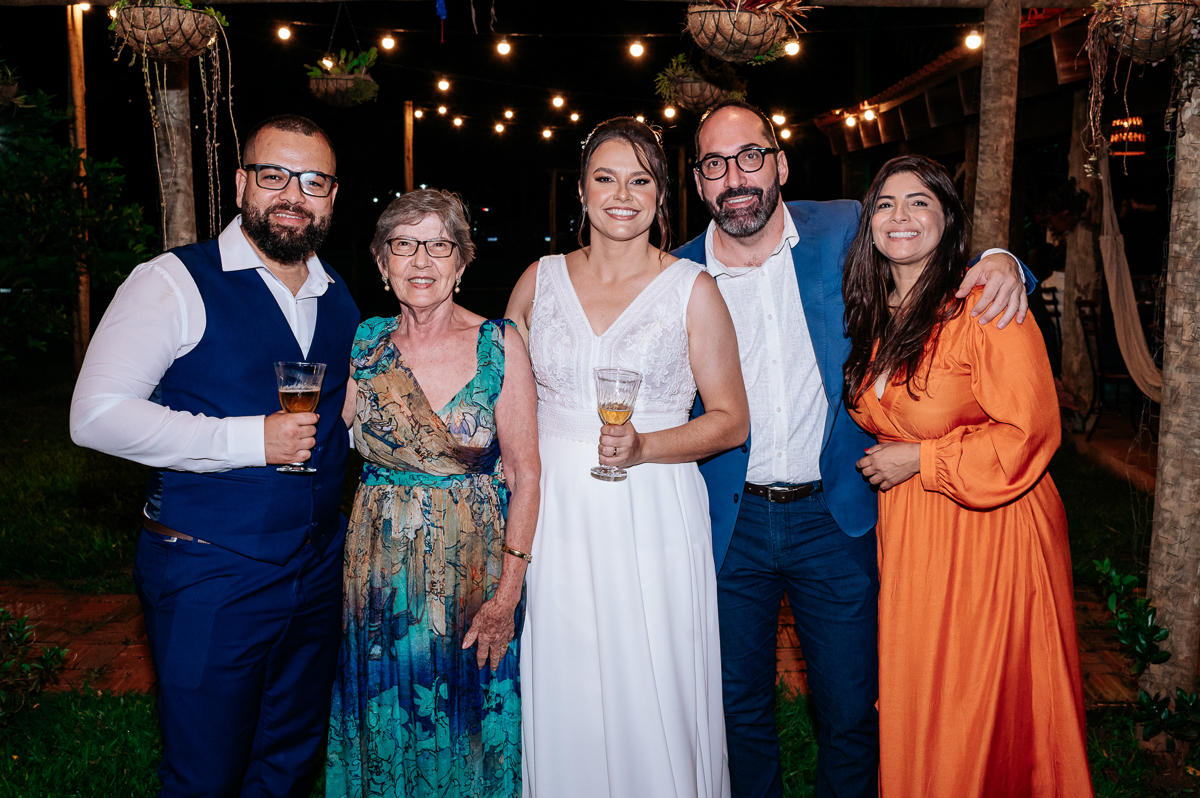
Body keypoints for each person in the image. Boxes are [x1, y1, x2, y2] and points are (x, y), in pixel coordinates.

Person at [670, 100, 1036, 798]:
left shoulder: (843, 229)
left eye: (751, 156)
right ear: (697, 183)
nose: (735, 178)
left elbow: (932, 241)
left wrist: (1004, 260)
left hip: (833, 517)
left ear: (779, 164)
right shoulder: (676, 274)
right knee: (735, 708)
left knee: (848, 710)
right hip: (727, 524)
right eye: (715, 165)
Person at [70, 115, 358, 797]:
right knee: (205, 774)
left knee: (287, 763)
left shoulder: (338, 296)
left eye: (313, 180)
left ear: (333, 196)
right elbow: (95, 415)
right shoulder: (171, 281)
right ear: (241, 184)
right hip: (210, 571)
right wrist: (246, 440)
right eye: (274, 175)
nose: (294, 193)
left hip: (316, 571)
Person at [506, 117, 749, 798]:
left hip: (654, 513)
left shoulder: (693, 290)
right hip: (556, 518)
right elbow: (502, 404)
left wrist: (646, 447)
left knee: (653, 681)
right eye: (605, 178)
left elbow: (731, 422)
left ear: (660, 196)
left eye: (640, 180)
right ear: (580, 191)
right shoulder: (537, 281)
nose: (622, 194)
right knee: (567, 678)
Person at [843, 155, 1093, 797]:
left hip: (992, 531)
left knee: (975, 704)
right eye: (886, 204)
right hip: (914, 533)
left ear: (948, 220)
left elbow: (1031, 431)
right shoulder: (873, 308)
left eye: (920, 202)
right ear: (868, 222)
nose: (901, 216)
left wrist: (923, 460)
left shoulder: (981, 304)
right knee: (919, 695)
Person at [326, 189, 540, 798]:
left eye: (438, 245)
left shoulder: (500, 345)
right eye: (403, 245)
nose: (420, 260)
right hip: (379, 581)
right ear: (380, 261)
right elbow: (320, 444)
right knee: (385, 718)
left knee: (467, 722)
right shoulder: (364, 345)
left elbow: (526, 475)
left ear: (462, 261)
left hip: (475, 576)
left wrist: (507, 595)